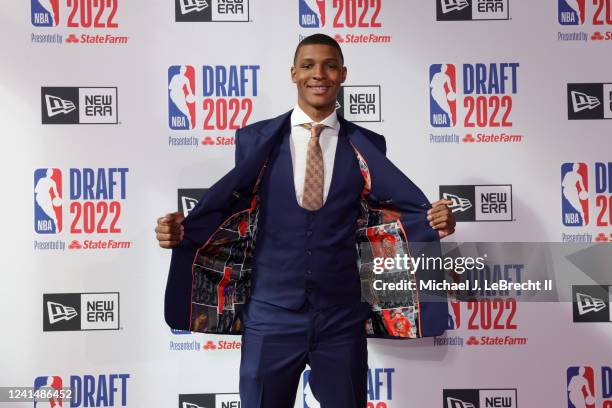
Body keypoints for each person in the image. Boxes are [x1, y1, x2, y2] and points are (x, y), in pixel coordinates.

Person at [156, 34, 456, 408]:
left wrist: (435, 221)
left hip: (342, 320)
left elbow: (387, 216)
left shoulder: (368, 144)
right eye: (309, 65)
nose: (320, 74)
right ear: (294, 73)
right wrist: (180, 231)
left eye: (330, 65)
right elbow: (234, 212)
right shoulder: (254, 140)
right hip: (270, 317)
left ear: (343, 74)